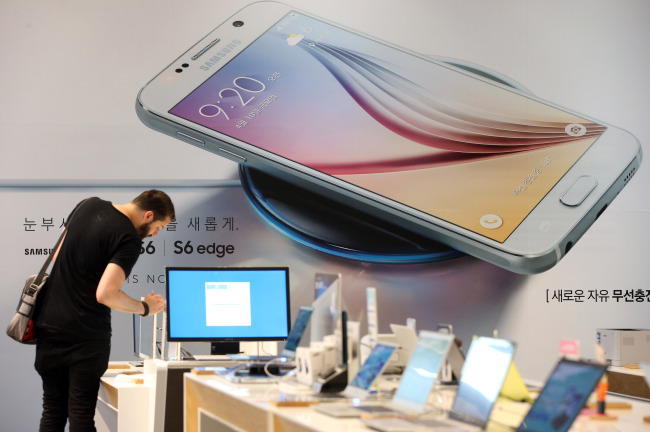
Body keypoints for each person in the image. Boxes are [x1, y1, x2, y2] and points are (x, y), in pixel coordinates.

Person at [34, 189, 175, 432]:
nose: (154, 234)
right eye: (159, 227)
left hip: (49, 326)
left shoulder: (88, 205)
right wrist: (145, 308)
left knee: (52, 412)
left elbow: (58, 256)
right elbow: (106, 294)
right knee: (80, 415)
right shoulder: (129, 239)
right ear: (149, 215)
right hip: (85, 336)